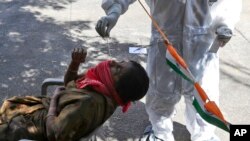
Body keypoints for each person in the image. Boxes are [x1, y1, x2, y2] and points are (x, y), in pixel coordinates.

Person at [95, 0, 242, 141]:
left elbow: (227, 2)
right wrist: (114, 11)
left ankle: (204, 135)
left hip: (202, 46)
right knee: (161, 92)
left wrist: (225, 23)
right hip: (164, 43)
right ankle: (160, 133)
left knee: (202, 94)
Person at [0, 48, 149, 141]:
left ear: (118, 87)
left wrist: (54, 102)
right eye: (119, 62)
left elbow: (54, 134)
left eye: (117, 69)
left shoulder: (88, 103)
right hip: (40, 113)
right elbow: (70, 84)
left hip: (35, 128)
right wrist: (74, 64)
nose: (111, 63)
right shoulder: (100, 86)